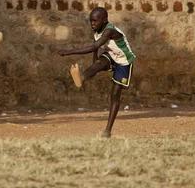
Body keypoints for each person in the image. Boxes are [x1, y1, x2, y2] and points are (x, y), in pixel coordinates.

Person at [58, 7, 136, 138]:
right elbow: (96, 46)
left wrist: (68, 52)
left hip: (123, 61)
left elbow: (94, 46)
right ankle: (81, 78)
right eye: (90, 21)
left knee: (115, 95)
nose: (92, 24)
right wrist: (95, 63)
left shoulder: (110, 31)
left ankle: (107, 130)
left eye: (95, 21)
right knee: (100, 63)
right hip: (111, 56)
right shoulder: (97, 30)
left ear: (104, 20)